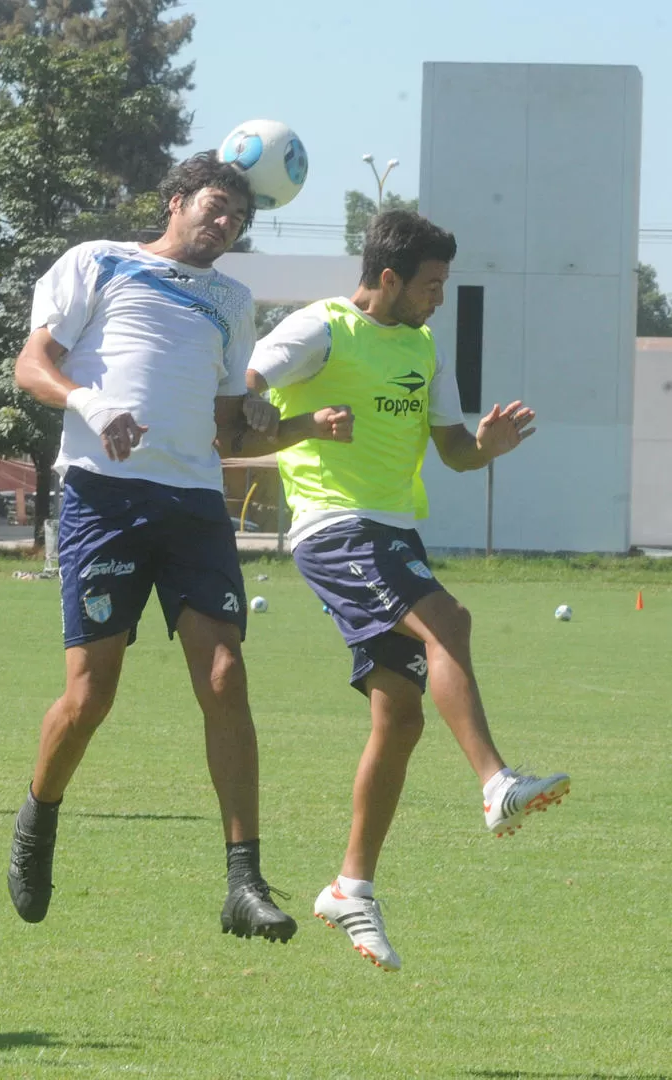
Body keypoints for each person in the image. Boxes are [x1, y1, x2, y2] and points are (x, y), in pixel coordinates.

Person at [7, 150, 353, 941]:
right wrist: (90, 406)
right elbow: (32, 365)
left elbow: (231, 429)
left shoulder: (233, 300)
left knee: (226, 676)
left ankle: (243, 881)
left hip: (194, 501)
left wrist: (282, 423)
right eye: (215, 205)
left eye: (237, 215)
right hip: (104, 496)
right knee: (90, 696)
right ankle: (37, 820)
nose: (225, 222)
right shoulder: (97, 262)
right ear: (175, 202)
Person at [247, 210, 570, 970]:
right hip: (335, 527)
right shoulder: (320, 328)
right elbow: (247, 384)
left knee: (399, 717)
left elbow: (452, 449)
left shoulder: (423, 345)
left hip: (391, 532)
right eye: (429, 285)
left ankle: (350, 888)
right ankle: (495, 784)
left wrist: (483, 448)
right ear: (387, 278)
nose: (438, 299)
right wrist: (281, 417)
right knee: (448, 621)